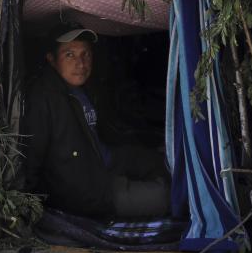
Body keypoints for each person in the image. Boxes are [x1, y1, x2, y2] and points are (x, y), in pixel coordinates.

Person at [22, 22, 170, 218]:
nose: (81, 64)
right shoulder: (43, 98)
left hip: (104, 162)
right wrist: (25, 207)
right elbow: (31, 156)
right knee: (166, 198)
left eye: (86, 54)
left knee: (163, 163)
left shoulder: (83, 89)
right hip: (88, 192)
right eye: (69, 55)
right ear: (51, 59)